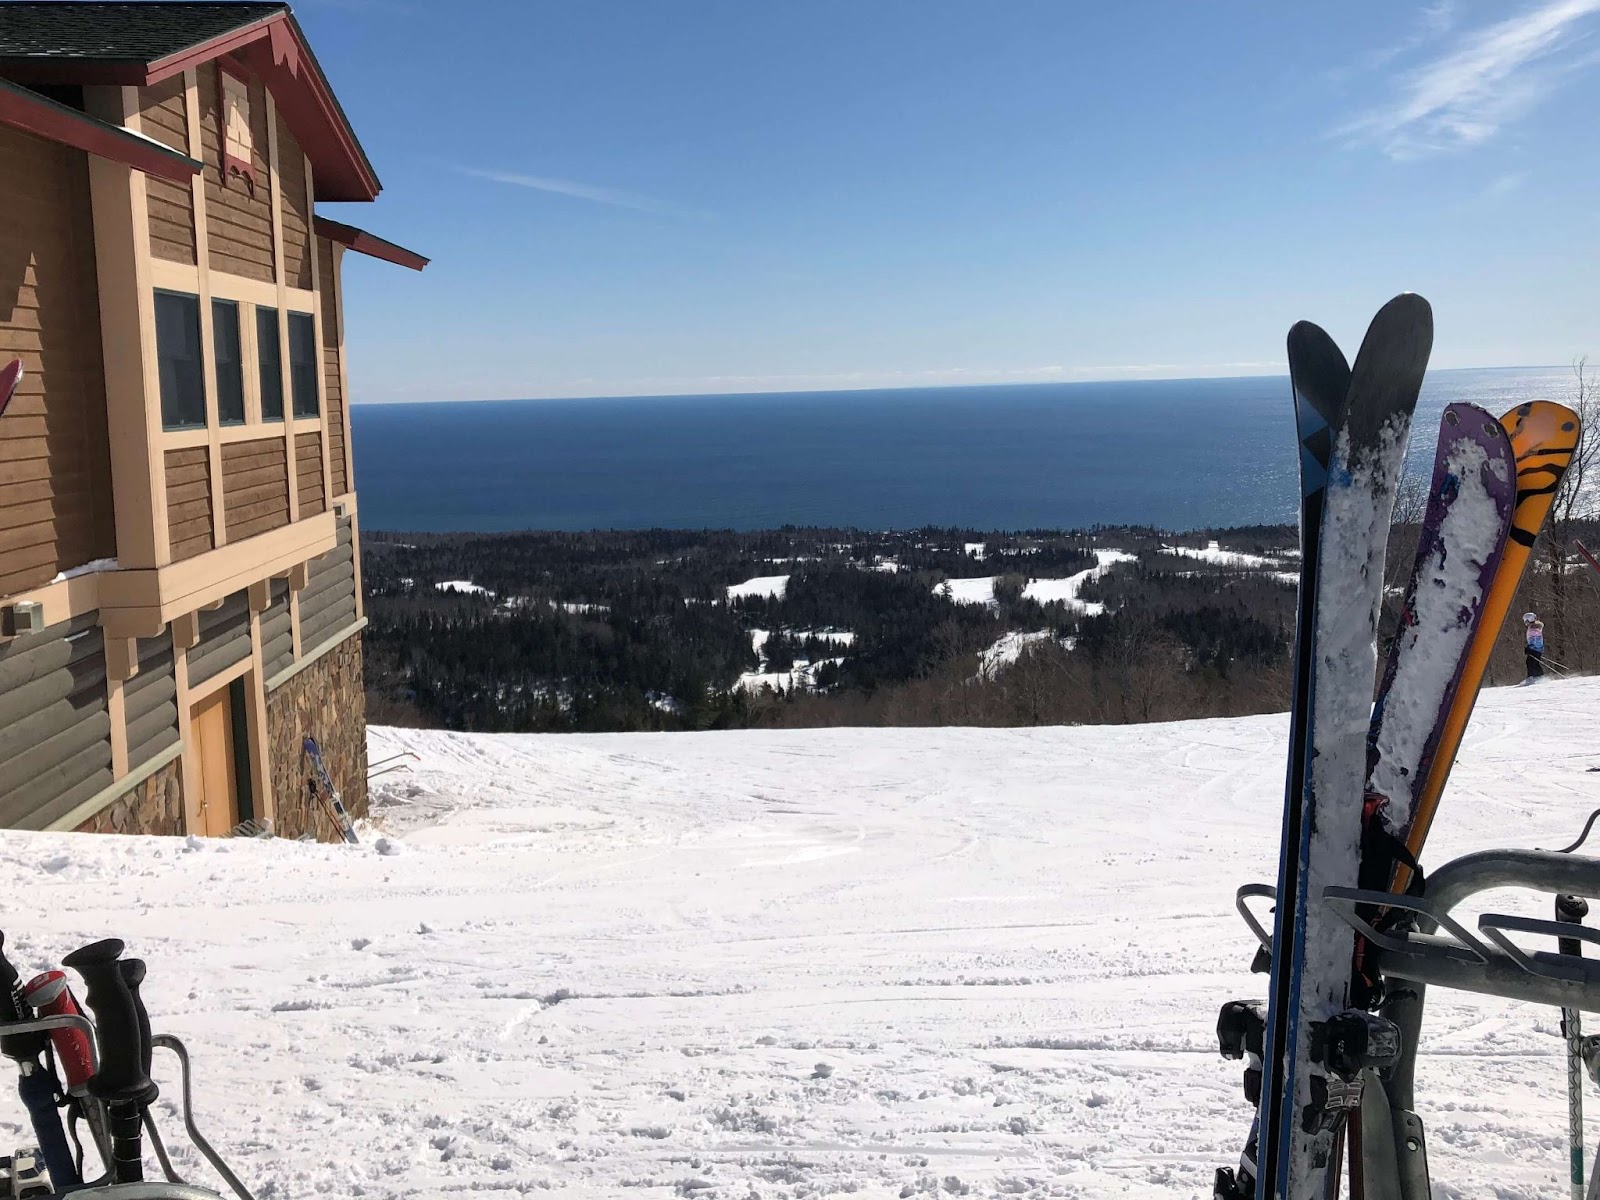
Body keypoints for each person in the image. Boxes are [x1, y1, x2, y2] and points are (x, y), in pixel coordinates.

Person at [1524, 612, 1545, 682]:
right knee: (1533, 663)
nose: (1525, 623)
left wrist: (1530, 648)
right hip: (1536, 649)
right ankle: (1538, 677)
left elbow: (1536, 640)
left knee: (1531, 663)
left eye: (1526, 621)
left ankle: (1533, 677)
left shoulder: (1533, 629)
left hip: (1535, 649)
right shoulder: (1533, 628)